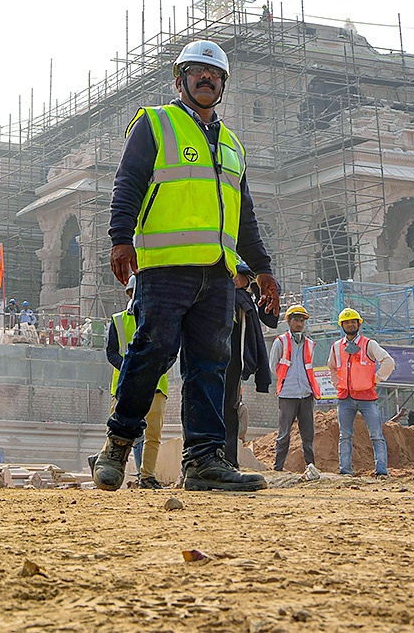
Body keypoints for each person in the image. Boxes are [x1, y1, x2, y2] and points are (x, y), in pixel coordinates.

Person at [93, 40, 279, 493]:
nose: (206, 78)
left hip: (217, 272)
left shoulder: (232, 144)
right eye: (197, 72)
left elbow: (244, 213)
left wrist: (262, 268)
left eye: (214, 75)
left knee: (210, 363)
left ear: (222, 85)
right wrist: (120, 239)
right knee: (150, 353)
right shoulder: (156, 123)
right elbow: (129, 183)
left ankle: (204, 459)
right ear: (180, 80)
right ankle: (117, 444)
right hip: (165, 267)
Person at [94, 275, 167, 489]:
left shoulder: (162, 320)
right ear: (129, 293)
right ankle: (108, 468)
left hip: (157, 386)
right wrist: (132, 369)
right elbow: (111, 352)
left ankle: (147, 476)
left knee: (153, 435)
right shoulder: (118, 320)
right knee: (121, 431)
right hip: (124, 385)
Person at [327, 308, 395, 478]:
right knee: (345, 436)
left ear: (358, 324)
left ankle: (381, 471)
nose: (350, 324)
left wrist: (376, 379)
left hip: (367, 397)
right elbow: (332, 367)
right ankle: (345, 471)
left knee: (376, 435)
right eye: (347, 322)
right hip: (345, 398)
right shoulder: (336, 347)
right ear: (342, 325)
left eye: (353, 322)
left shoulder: (368, 344)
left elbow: (388, 361)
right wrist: (337, 384)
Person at [225, 265, 274, 464]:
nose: (236, 280)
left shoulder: (243, 302)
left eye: (240, 277)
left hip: (231, 362)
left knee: (229, 409)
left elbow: (270, 318)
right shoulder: (211, 298)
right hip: (208, 359)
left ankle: (227, 460)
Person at [269, 304, 319, 474]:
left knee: (308, 435)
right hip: (287, 393)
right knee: (283, 434)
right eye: (296, 320)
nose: (299, 323)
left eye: (302, 320)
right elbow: (273, 365)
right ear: (288, 321)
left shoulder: (310, 344)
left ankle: (310, 466)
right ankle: (278, 468)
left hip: (306, 394)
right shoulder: (281, 341)